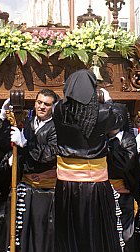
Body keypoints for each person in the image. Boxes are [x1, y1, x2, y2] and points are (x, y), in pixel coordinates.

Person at [52, 69, 123, 252]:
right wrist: (108, 101)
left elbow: (64, 102)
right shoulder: (104, 112)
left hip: (66, 185)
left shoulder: (58, 111)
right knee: (95, 234)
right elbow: (119, 118)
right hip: (95, 186)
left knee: (68, 233)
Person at [0, 89, 59, 252]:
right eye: (39, 102)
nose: (41, 107)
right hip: (23, 185)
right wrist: (2, 117)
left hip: (45, 191)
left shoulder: (57, 127)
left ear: (53, 107)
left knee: (39, 233)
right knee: (13, 229)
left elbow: (50, 153)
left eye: (47, 104)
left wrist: (26, 144)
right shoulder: (25, 122)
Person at [107, 103, 140, 251]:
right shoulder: (101, 139)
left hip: (123, 195)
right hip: (104, 194)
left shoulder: (128, 140)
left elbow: (125, 166)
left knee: (125, 235)